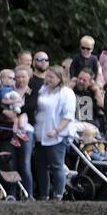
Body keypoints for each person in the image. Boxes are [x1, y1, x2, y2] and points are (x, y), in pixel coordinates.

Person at [33, 65, 75, 200]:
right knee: (40, 167)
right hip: (40, 134)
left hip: (56, 136)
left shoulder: (66, 93)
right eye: (47, 76)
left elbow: (68, 116)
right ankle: (44, 194)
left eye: (52, 77)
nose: (48, 79)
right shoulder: (43, 90)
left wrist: (57, 130)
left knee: (57, 166)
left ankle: (58, 194)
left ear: (59, 78)